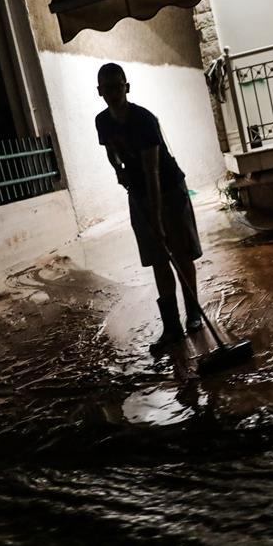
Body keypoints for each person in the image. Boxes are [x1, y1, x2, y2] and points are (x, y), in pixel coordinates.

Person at [95, 63, 203, 355]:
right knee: (158, 257)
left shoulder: (143, 120)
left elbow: (153, 171)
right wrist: (118, 168)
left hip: (167, 187)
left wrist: (157, 217)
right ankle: (172, 327)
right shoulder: (102, 121)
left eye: (118, 86)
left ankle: (193, 314)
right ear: (100, 92)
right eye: (107, 88)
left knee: (179, 251)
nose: (113, 93)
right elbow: (110, 151)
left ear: (126, 87)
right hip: (139, 192)